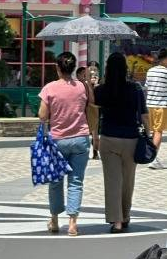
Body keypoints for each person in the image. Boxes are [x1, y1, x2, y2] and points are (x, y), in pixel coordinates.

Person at [94, 51, 149, 233]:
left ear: (108, 69)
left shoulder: (101, 90)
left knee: (112, 181)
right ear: (125, 69)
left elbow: (92, 110)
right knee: (128, 181)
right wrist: (148, 135)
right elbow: (144, 115)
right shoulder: (135, 89)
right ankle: (125, 216)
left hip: (108, 138)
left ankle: (116, 221)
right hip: (131, 139)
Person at [38, 52, 91, 237]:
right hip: (80, 138)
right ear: (74, 68)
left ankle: (54, 220)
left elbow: (42, 115)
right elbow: (89, 105)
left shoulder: (49, 88)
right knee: (76, 181)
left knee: (55, 181)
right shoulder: (82, 87)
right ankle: (72, 223)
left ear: (57, 68)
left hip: (58, 140)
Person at [145, 48, 167, 170]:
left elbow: (147, 87)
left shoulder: (150, 71)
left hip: (150, 105)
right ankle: (153, 159)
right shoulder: (166, 72)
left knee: (154, 131)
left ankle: (153, 157)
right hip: (161, 106)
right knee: (158, 132)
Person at [77, 66, 99, 160]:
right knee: (88, 133)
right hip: (86, 111)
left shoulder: (94, 85)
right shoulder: (82, 85)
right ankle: (87, 152)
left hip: (91, 111)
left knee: (94, 134)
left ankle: (95, 152)